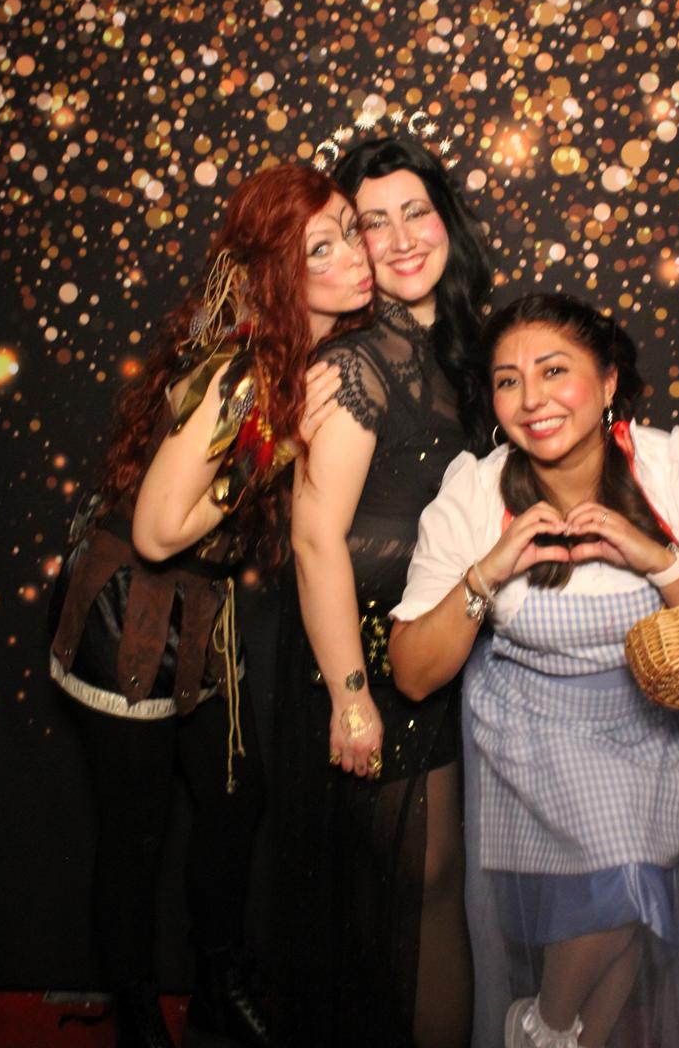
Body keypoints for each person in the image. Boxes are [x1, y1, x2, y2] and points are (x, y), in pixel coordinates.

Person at [49, 163, 373, 1048]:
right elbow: (157, 531)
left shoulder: (293, 358)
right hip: (131, 614)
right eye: (321, 247)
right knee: (136, 832)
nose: (354, 255)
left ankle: (217, 987)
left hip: (203, 608)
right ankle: (138, 1017)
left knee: (234, 803)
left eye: (350, 230)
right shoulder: (243, 374)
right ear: (278, 274)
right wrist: (275, 447)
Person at [389, 292, 679, 1048]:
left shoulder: (672, 466)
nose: (533, 399)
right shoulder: (475, 490)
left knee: (631, 912)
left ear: (608, 380)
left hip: (659, 732)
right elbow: (414, 674)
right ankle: (543, 1027)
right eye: (509, 380)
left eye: (555, 370)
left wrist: (657, 560)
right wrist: (487, 573)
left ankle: (543, 1033)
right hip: (535, 737)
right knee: (627, 882)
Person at [273, 137, 494, 1047]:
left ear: (446, 219)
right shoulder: (354, 366)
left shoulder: (467, 346)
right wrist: (351, 697)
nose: (400, 239)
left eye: (416, 212)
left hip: (445, 645)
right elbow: (313, 537)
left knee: (434, 887)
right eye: (374, 222)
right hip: (368, 658)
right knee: (413, 890)